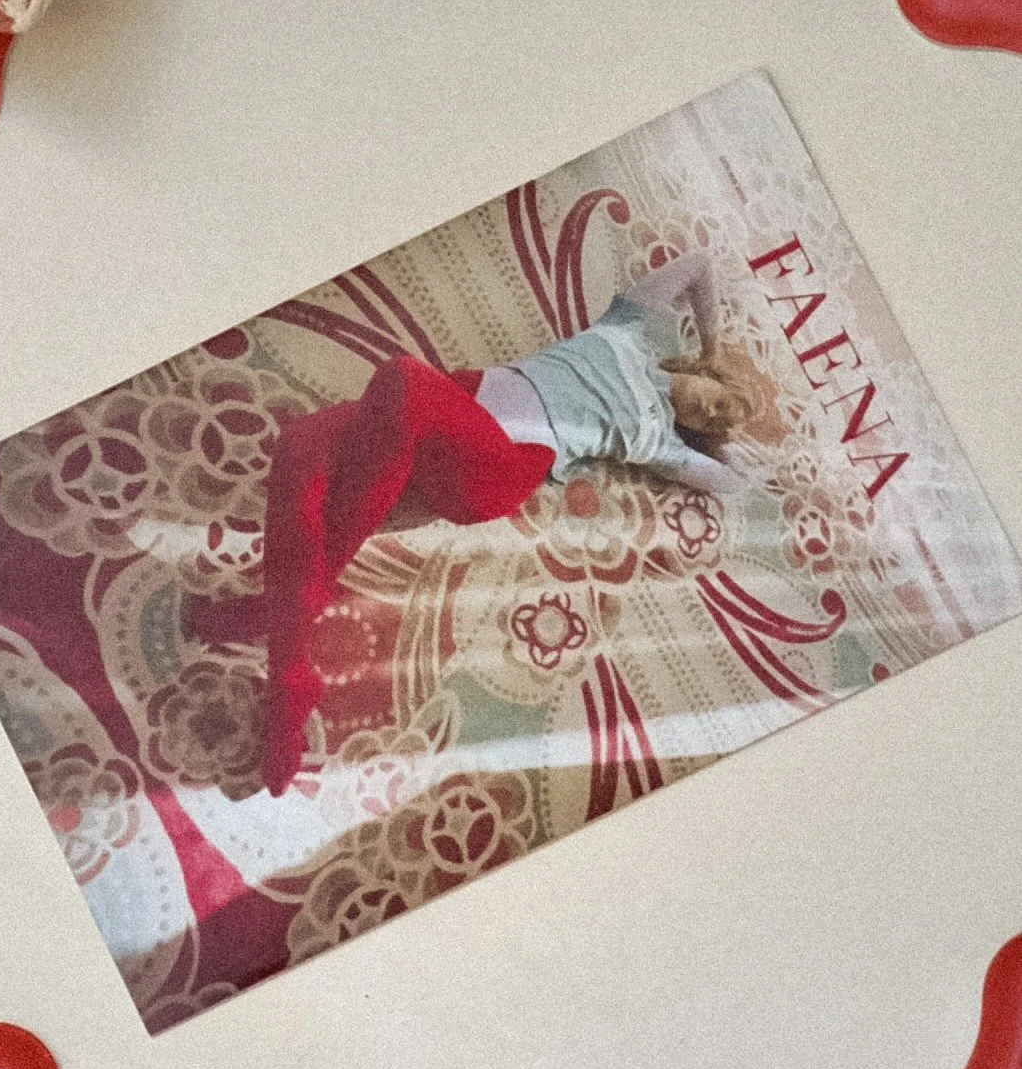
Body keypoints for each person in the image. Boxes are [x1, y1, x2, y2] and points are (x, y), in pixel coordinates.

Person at [239, 244, 762, 793]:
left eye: (718, 422)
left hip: (500, 463)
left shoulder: (660, 441)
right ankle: (285, 632)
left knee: (403, 380)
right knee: (300, 449)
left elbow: (735, 483)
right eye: (722, 400)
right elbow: (701, 264)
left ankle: (295, 637)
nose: (714, 412)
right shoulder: (629, 328)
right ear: (709, 374)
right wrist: (715, 347)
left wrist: (721, 449)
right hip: (460, 399)